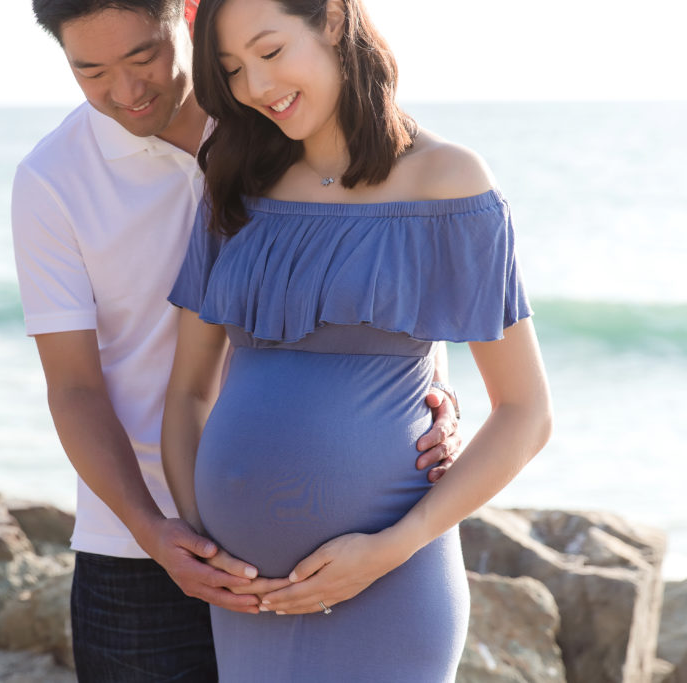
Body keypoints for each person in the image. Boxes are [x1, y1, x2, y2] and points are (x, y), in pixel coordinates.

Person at [13, 1, 463, 679]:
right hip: (139, 551)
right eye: (91, 71)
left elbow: (390, 272)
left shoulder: (288, 117)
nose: (127, 90)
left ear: (187, 18)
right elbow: (73, 387)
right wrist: (152, 528)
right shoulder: (51, 179)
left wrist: (435, 395)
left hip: (322, 548)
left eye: (143, 57)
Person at [161, 0, 553, 680]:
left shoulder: (448, 182)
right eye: (233, 70)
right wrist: (206, 540)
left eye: (270, 52)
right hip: (247, 598)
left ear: (333, 21)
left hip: (390, 587)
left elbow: (527, 412)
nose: (256, 88)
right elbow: (189, 391)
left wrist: (389, 548)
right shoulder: (234, 179)